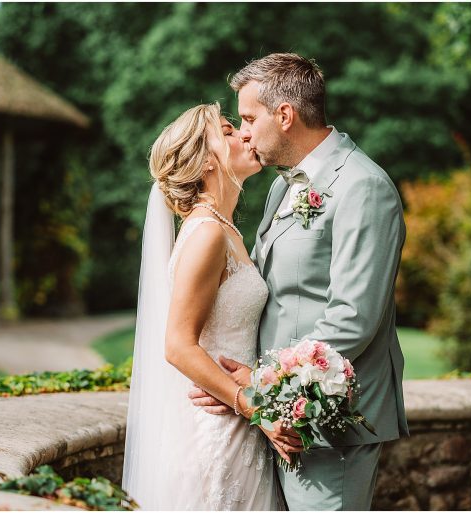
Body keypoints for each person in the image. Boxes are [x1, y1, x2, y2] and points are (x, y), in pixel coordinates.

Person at [190, 53, 409, 510]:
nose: (244, 130)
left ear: (285, 115)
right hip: (281, 420)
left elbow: (353, 318)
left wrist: (263, 387)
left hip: (331, 425)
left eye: (249, 117)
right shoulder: (281, 185)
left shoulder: (363, 187)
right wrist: (240, 392)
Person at [121, 103, 298, 510]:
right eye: (229, 131)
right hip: (220, 427)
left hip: (239, 421)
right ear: (205, 162)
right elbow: (178, 346)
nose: (246, 135)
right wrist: (252, 405)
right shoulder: (207, 234)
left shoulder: (226, 230)